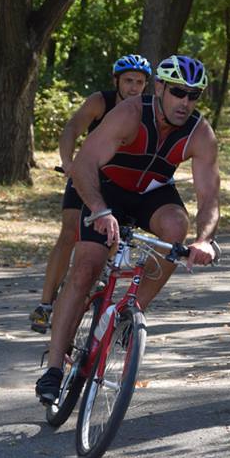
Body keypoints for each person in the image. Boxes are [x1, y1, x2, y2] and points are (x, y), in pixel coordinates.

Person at [35, 55, 220, 402]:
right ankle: (55, 367)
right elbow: (86, 163)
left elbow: (209, 194)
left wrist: (205, 240)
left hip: (151, 191)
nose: (185, 102)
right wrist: (100, 210)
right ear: (161, 88)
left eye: (194, 95)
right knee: (86, 267)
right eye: (179, 92)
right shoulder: (131, 113)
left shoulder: (199, 133)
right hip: (104, 188)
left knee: (176, 226)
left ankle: (130, 315)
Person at [29, 54, 152, 333]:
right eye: (129, 80)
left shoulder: (147, 109)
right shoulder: (101, 101)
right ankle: (46, 304)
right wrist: (69, 162)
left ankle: (96, 281)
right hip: (87, 175)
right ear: (116, 80)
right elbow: (72, 128)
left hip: (118, 182)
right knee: (71, 229)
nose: (134, 87)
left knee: (112, 234)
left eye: (140, 82)